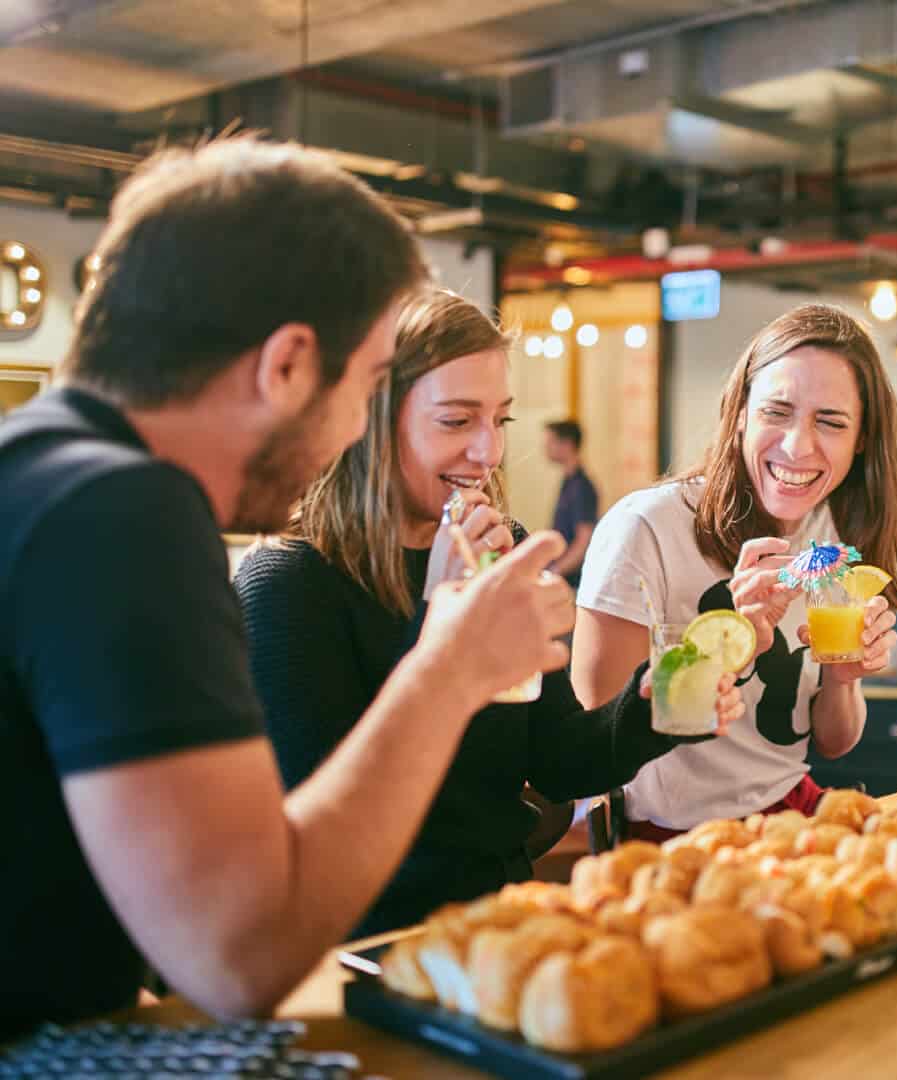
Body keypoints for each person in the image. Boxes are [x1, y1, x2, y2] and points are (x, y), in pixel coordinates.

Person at [0, 138, 573, 1036]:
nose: (355, 430)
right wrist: (451, 668)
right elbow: (240, 955)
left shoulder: (39, 477)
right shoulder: (121, 509)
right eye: (370, 386)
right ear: (290, 364)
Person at [235, 290, 742, 936]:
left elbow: (558, 760)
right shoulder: (288, 582)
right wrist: (441, 637)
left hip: (500, 916)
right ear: (368, 420)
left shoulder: (502, 549)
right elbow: (330, 830)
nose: (489, 453)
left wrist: (655, 709)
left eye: (499, 421)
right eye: (456, 421)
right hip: (373, 936)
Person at [570, 304, 897, 837]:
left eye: (831, 421)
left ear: (862, 439)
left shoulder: (832, 542)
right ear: (741, 414)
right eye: (777, 412)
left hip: (791, 813)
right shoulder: (647, 528)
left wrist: (843, 679)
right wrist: (730, 643)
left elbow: (833, 741)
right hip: (670, 836)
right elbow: (594, 733)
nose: (798, 445)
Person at [543, 418, 599, 589]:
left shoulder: (582, 487)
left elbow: (583, 541)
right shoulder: (569, 482)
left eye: (550, 442)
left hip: (573, 583)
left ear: (566, 444)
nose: (545, 448)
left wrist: (554, 571)